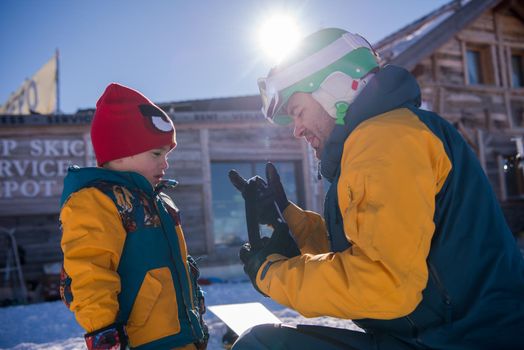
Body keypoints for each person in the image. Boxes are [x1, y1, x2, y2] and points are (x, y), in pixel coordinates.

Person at [230, 28, 524, 349]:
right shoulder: (382, 137)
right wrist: (292, 222)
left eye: (298, 112)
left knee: (261, 345)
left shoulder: (386, 139)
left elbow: (384, 283)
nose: (297, 130)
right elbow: (365, 251)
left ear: (335, 87)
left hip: (464, 340)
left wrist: (272, 274)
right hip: (438, 335)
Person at [59, 83, 208, 350]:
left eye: (167, 154)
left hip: (182, 338)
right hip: (140, 342)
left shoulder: (160, 200)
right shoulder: (97, 201)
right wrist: (104, 334)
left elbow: (179, 265)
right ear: (120, 151)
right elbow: (89, 273)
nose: (166, 163)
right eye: (156, 153)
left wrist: (196, 309)